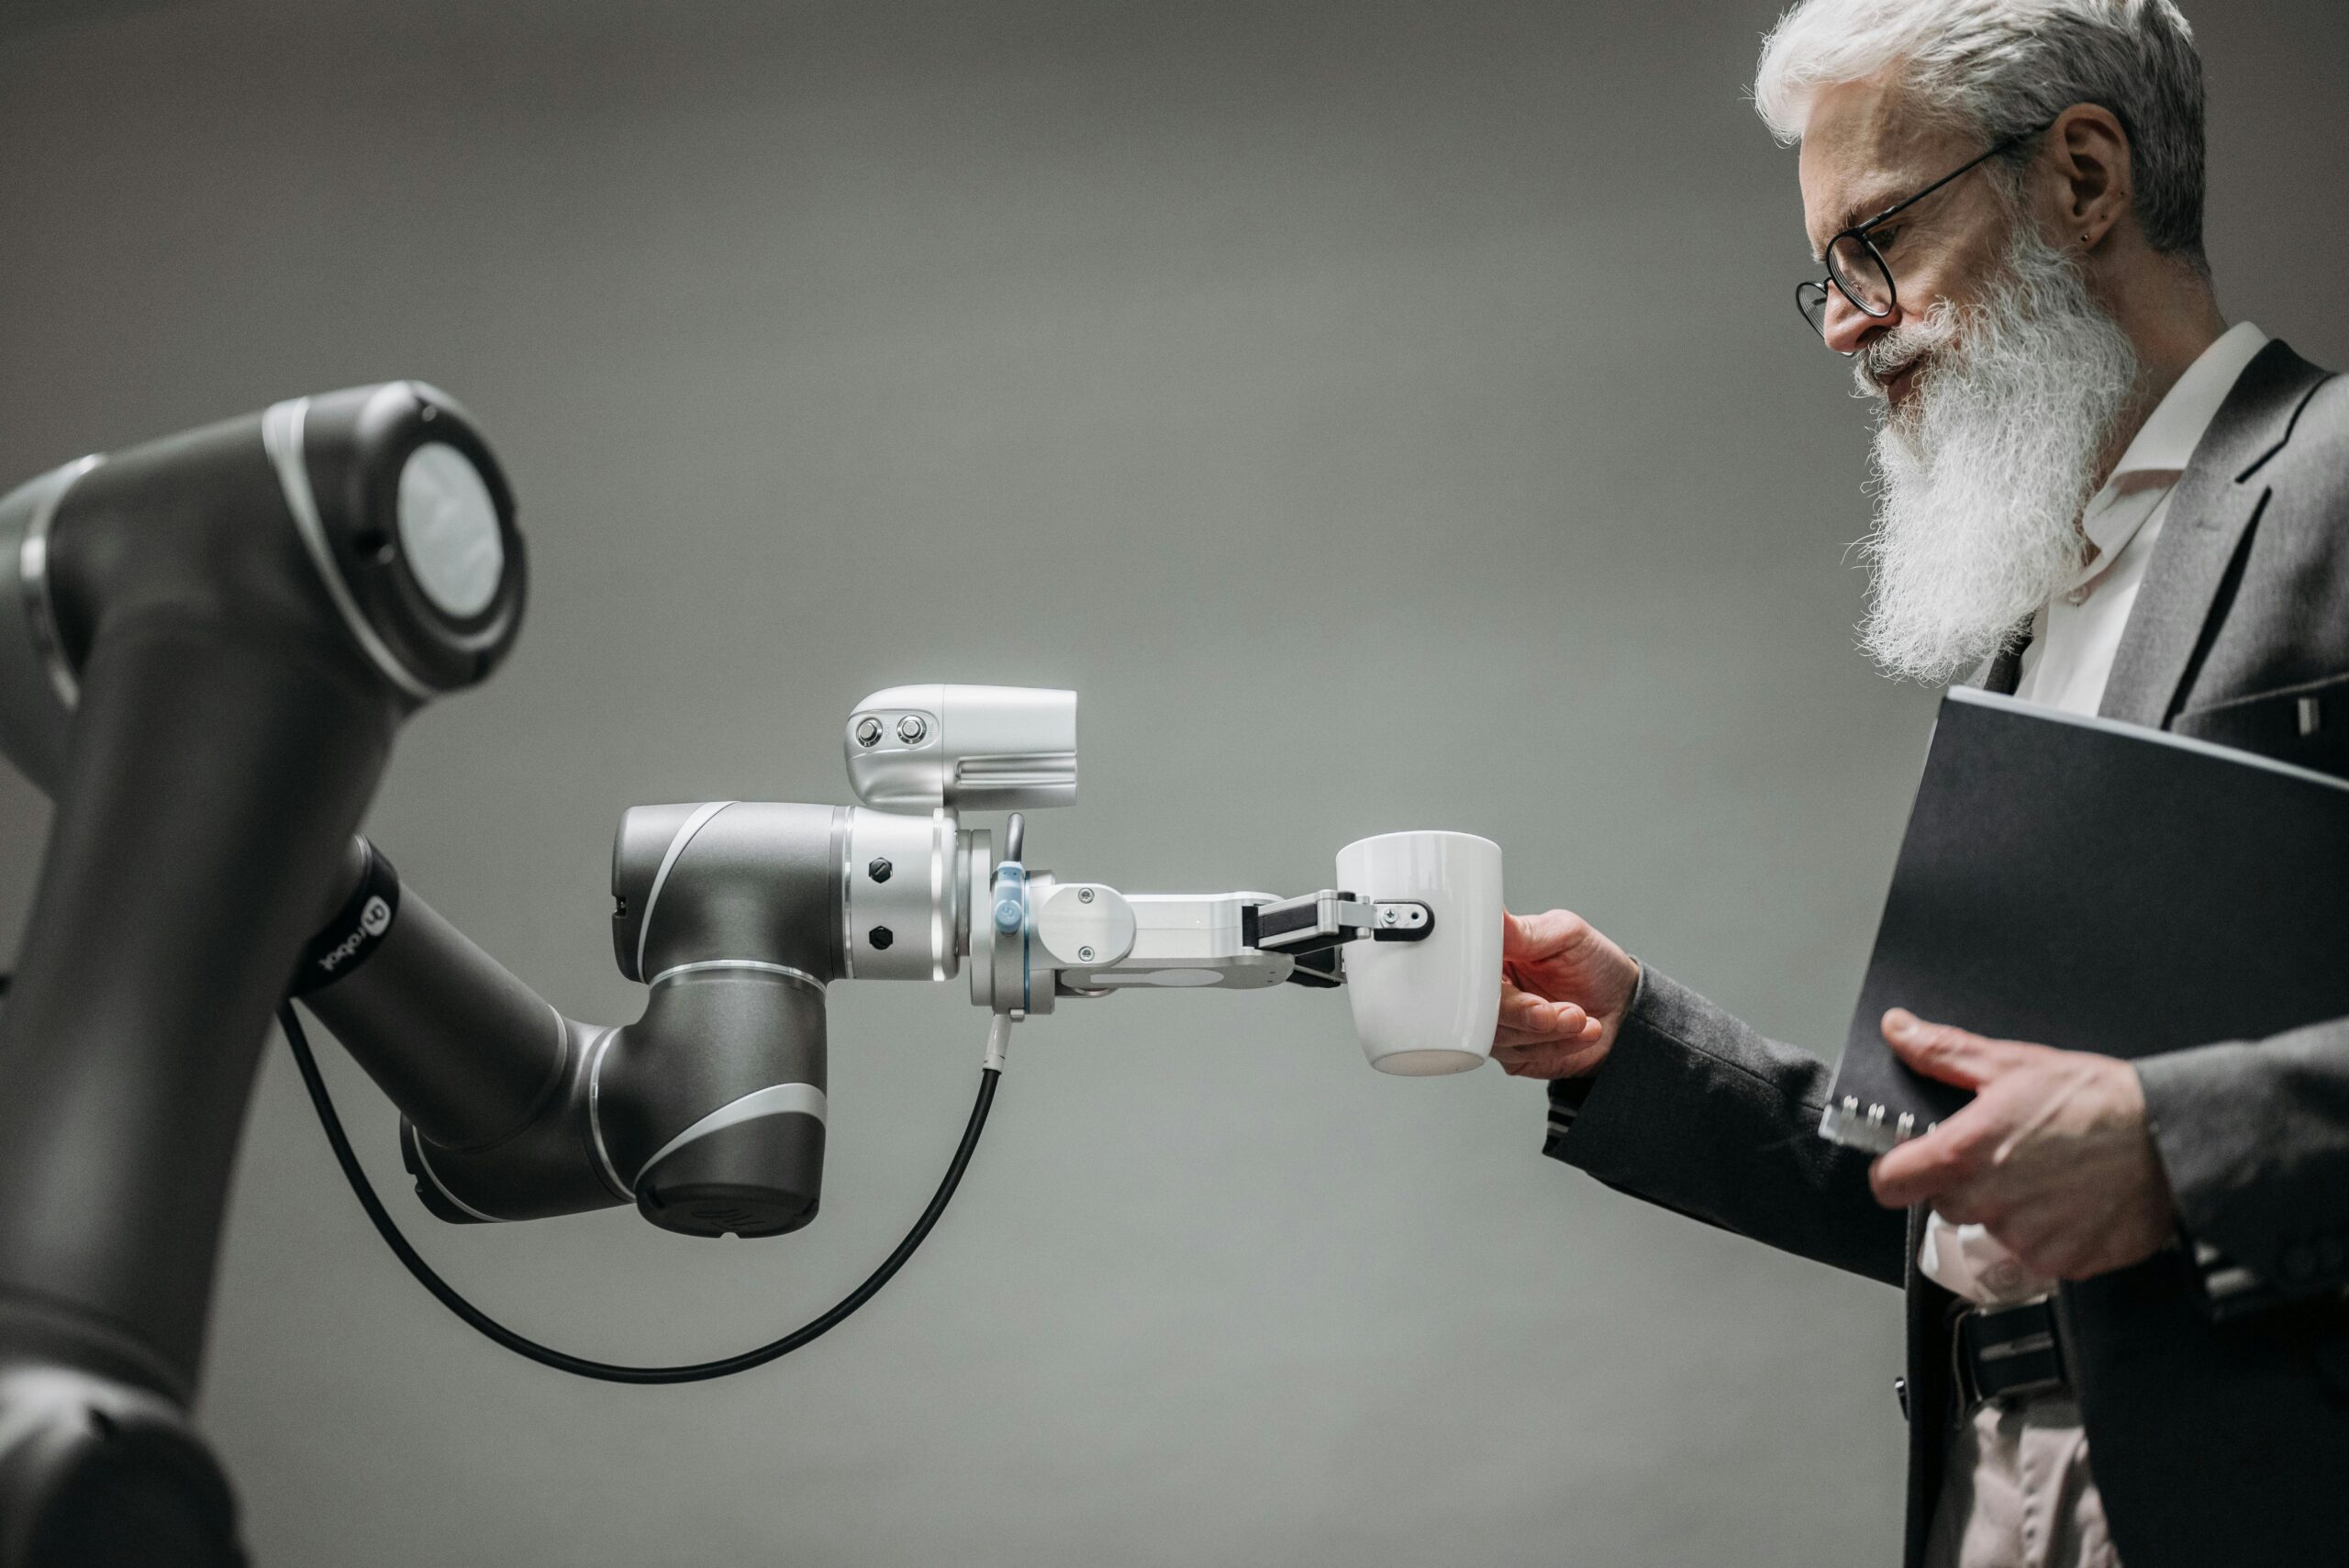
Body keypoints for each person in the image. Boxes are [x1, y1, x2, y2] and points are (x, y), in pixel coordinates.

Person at [1497, 5, 2349, 1566]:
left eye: (1876, 240)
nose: (1843, 322)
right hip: (1989, 1491)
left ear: (2084, 175)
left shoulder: (2338, 480)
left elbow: (2120, 1144)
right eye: (1824, 273)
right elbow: (1977, 1165)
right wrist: (1633, 1043)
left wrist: (2178, 1142)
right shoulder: (2030, 621)